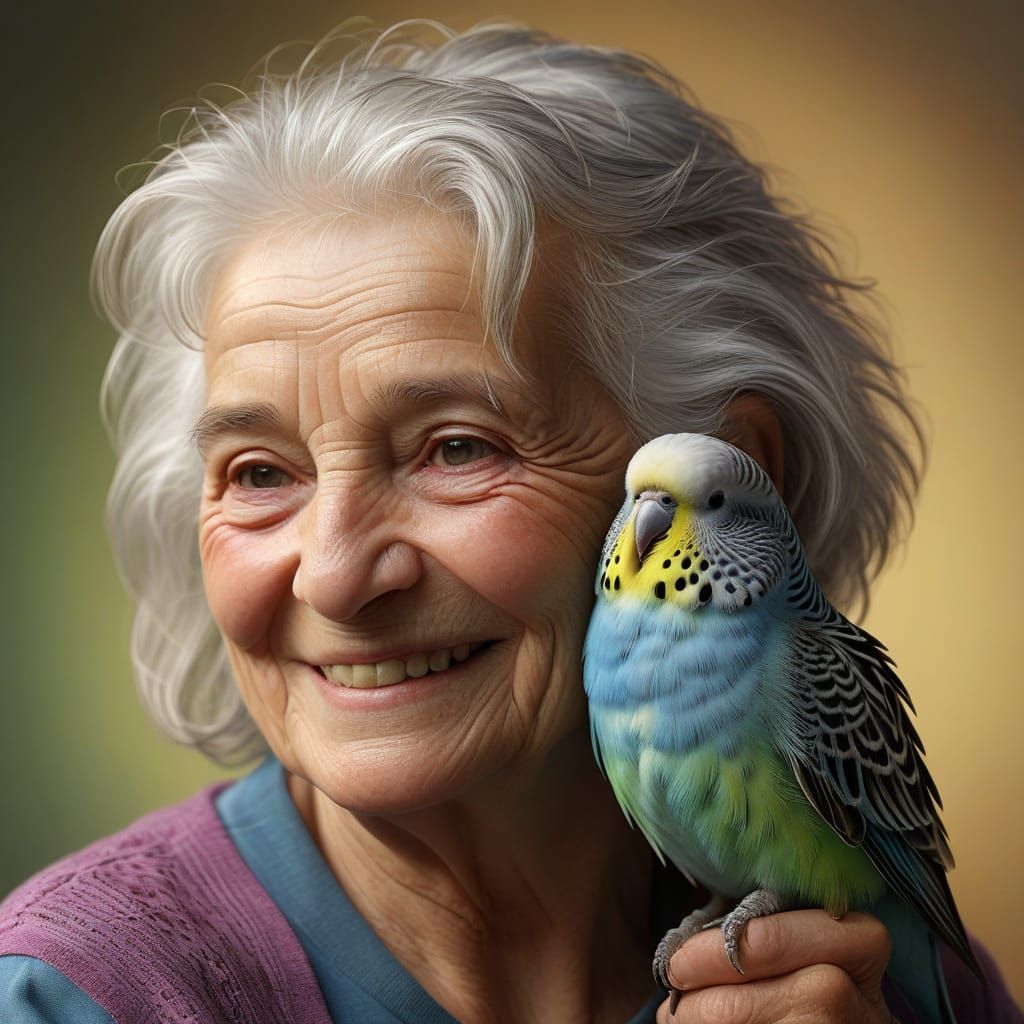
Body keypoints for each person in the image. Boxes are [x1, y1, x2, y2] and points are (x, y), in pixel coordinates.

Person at [0, 18, 1018, 1024]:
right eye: (261, 471)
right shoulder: (72, 999)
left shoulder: (887, 978)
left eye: (456, 448)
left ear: (739, 470)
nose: (336, 576)